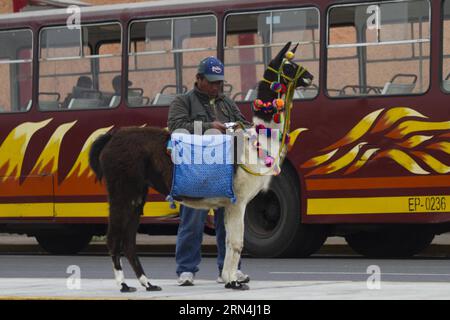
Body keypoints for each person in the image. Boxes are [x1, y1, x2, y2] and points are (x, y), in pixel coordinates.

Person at [168, 56, 250, 286]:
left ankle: (230, 269)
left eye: (219, 83)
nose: (216, 87)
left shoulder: (226, 103)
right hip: (197, 174)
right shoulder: (182, 101)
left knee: (229, 222)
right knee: (192, 222)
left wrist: (235, 127)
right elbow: (175, 127)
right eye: (212, 82)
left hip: (227, 173)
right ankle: (186, 270)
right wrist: (208, 127)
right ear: (199, 79)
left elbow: (244, 124)